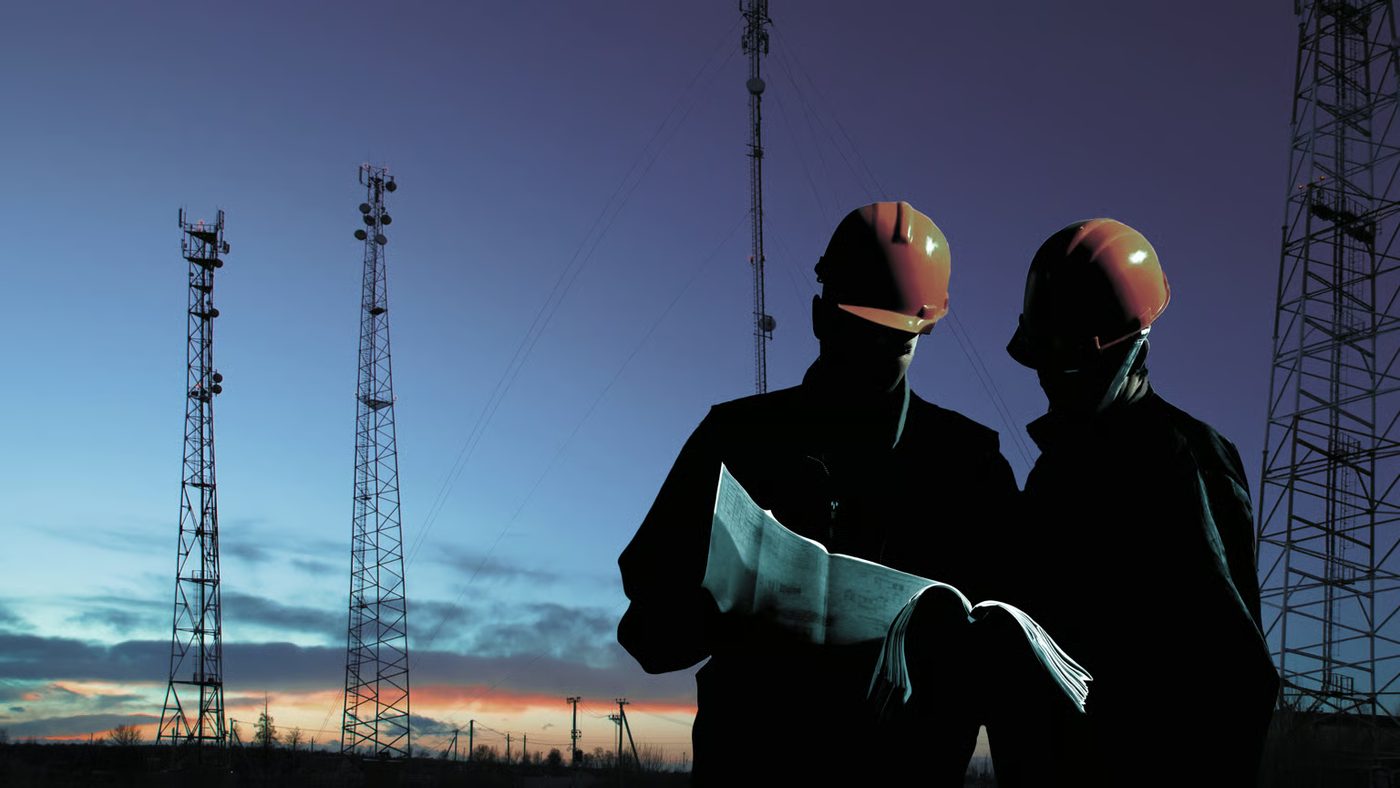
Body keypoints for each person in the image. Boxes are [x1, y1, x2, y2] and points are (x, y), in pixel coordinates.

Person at [616, 201, 1018, 786]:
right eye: (860, 335)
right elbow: (647, 635)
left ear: (923, 332)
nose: (873, 358)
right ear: (819, 317)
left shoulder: (969, 467)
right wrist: (728, 613)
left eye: (893, 342)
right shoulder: (735, 443)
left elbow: (1015, 664)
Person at [999, 218, 1279, 787]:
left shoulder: (1182, 463)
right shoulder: (1057, 471)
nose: (1049, 382)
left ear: (1131, 348)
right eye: (1041, 363)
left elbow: (1236, 683)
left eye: (1069, 367)